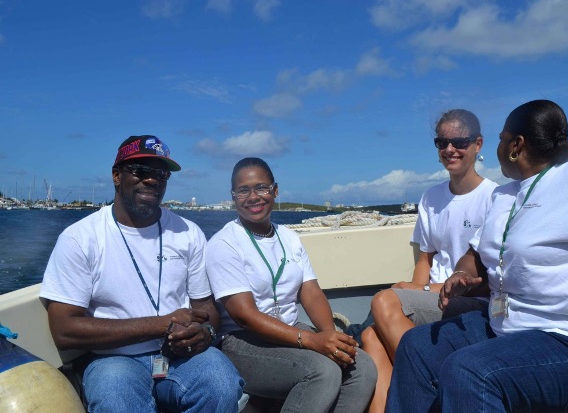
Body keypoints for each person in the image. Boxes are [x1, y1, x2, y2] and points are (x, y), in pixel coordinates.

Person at [386, 100, 568, 412]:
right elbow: (475, 253)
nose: (498, 147)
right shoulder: (503, 195)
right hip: (506, 326)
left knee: (468, 370)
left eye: (501, 139)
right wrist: (462, 273)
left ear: (516, 145)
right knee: (417, 346)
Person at [40, 135, 244, 413]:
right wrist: (162, 325)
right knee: (115, 395)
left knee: (221, 380)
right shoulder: (80, 238)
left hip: (179, 357)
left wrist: (206, 332)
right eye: (140, 171)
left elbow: (206, 307)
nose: (152, 180)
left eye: (161, 174)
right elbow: (64, 330)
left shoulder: (188, 233)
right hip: (113, 360)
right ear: (117, 176)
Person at [206, 157, 377, 413]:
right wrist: (312, 341)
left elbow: (311, 292)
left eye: (261, 187)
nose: (253, 197)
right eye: (243, 191)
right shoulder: (224, 244)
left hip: (290, 328)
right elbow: (244, 316)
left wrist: (330, 337)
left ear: (275, 190)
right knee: (321, 372)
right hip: (241, 341)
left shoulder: (289, 237)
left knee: (362, 367)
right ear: (233, 197)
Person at [360, 109, 498, 412]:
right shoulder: (431, 198)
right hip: (434, 296)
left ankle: (430, 386)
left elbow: (489, 277)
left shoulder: (495, 198)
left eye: (459, 142)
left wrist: (417, 292)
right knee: (370, 335)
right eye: (442, 143)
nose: (450, 149)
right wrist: (415, 290)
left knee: (384, 302)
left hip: (471, 298)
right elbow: (426, 258)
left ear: (478, 144)